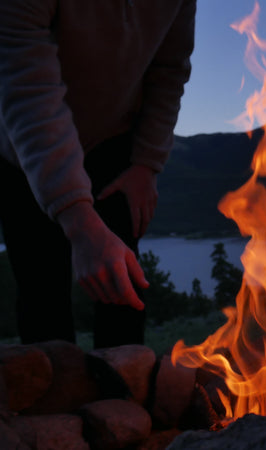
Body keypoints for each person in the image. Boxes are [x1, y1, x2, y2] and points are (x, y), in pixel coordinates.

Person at [0, 0, 196, 348]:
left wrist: (145, 165)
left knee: (122, 287)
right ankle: (55, 395)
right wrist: (77, 216)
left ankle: (123, 393)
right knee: (42, 293)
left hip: (113, 144)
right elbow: (28, 89)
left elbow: (170, 69)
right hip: (23, 149)